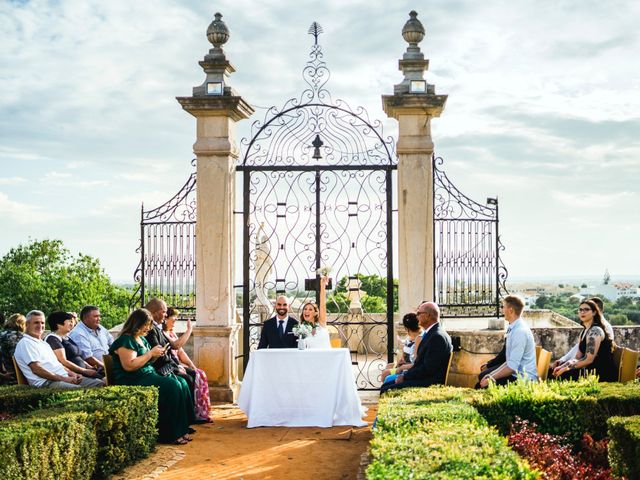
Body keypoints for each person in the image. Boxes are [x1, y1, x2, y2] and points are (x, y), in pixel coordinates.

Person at [109, 308, 195, 444]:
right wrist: (150, 354)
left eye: (149, 325)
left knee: (181, 382)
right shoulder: (125, 340)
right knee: (172, 386)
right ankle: (170, 434)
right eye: (146, 325)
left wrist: (156, 355)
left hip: (147, 374)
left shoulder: (141, 339)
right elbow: (129, 365)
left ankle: (182, 428)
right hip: (133, 378)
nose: (148, 329)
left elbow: (146, 360)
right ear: (136, 323)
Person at [14, 310, 103, 389]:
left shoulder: (43, 343)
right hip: (48, 383)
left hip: (63, 378)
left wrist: (73, 374)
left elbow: (58, 364)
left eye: (42, 323)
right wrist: (65, 379)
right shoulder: (26, 343)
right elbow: (37, 369)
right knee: (82, 390)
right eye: (36, 323)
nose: (40, 326)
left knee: (100, 384)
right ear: (27, 325)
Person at [380, 302, 452, 394]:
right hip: (424, 377)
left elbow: (427, 369)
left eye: (419, 314)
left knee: (386, 389)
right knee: (386, 385)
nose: (416, 317)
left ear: (428, 316)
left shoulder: (437, 337)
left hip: (428, 382)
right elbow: (420, 363)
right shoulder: (432, 333)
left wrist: (405, 377)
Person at [144, 298, 197, 410]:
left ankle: (189, 416)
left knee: (191, 374)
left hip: (166, 365)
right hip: (158, 368)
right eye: (164, 311)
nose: (165, 314)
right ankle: (184, 417)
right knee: (186, 379)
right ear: (155, 312)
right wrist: (175, 367)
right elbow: (159, 355)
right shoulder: (151, 330)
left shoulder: (156, 328)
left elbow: (173, 346)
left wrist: (177, 365)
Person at [163, 307, 212, 422]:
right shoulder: (163, 333)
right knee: (189, 378)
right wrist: (189, 330)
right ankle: (190, 413)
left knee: (199, 374)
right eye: (173, 319)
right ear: (166, 319)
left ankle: (199, 411)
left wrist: (191, 365)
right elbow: (176, 346)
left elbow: (180, 352)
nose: (175, 322)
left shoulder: (171, 333)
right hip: (171, 366)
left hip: (176, 364)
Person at [478, 295, 538, 388]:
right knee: (483, 378)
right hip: (515, 375)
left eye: (503, 307)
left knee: (481, 386)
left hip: (523, 379)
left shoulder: (519, 332)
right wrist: (490, 375)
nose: (502, 310)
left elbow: (511, 367)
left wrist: (491, 378)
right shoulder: (514, 327)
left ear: (510, 310)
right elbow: (510, 362)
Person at [552, 299, 616, 382]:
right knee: (554, 371)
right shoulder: (584, 332)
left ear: (594, 312)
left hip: (599, 372)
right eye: (580, 310)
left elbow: (588, 359)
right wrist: (563, 366)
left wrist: (566, 368)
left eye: (586, 309)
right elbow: (577, 357)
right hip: (588, 368)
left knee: (562, 375)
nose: (582, 312)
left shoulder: (595, 331)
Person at [45, 311, 104, 381]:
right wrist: (83, 370)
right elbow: (63, 361)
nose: (71, 324)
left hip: (85, 371)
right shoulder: (53, 339)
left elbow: (77, 357)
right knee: (105, 381)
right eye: (69, 322)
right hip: (75, 375)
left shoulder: (67, 338)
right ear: (59, 324)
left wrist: (90, 368)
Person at [380, 312, 423, 384]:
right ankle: (387, 387)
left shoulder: (419, 339)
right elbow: (405, 353)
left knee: (385, 374)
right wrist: (401, 359)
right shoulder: (409, 337)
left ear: (407, 328)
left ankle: (388, 387)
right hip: (405, 364)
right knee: (389, 365)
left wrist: (402, 367)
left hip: (408, 368)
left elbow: (415, 362)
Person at [68, 305, 114, 370]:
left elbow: (112, 343)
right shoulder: (78, 333)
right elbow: (88, 358)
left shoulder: (101, 328)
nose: (99, 319)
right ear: (85, 318)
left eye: (99, 316)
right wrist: (108, 368)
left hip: (109, 365)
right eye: (96, 316)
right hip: (96, 370)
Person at [300, 276, 331, 349]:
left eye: (310, 309)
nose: (307, 311)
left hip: (326, 357)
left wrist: (322, 286)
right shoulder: (301, 328)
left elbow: (322, 304)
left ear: (315, 313)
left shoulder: (321, 323)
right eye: (305, 309)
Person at [0, 313, 26, 384]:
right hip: (16, 377)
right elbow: (17, 358)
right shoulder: (21, 337)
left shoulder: (2, 335)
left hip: (5, 376)